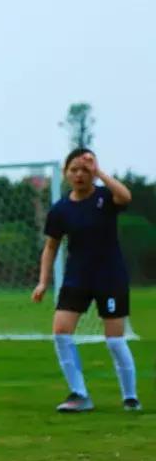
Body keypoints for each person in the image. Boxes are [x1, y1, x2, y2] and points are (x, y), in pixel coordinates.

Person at [32, 148, 140, 413]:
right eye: (74, 169)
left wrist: (100, 171)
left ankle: (130, 397)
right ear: (66, 173)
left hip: (110, 277)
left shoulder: (105, 197)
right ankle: (79, 394)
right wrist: (43, 281)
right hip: (77, 277)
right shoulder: (60, 210)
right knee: (60, 332)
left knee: (115, 340)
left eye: (85, 169)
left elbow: (126, 196)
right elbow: (51, 248)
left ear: (93, 173)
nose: (80, 174)